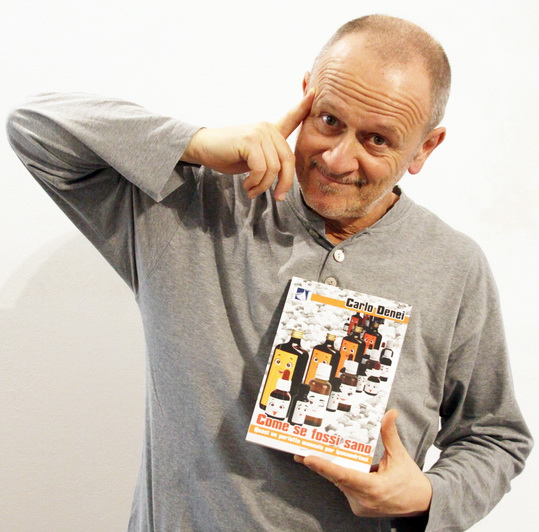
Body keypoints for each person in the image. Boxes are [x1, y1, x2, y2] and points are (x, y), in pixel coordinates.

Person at [7, 14, 532, 532]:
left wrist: (428, 496)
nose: (338, 159)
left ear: (425, 147)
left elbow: (495, 437)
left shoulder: (455, 267)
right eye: (329, 120)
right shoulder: (192, 205)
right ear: (306, 94)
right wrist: (195, 142)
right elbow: (33, 127)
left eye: (377, 139)